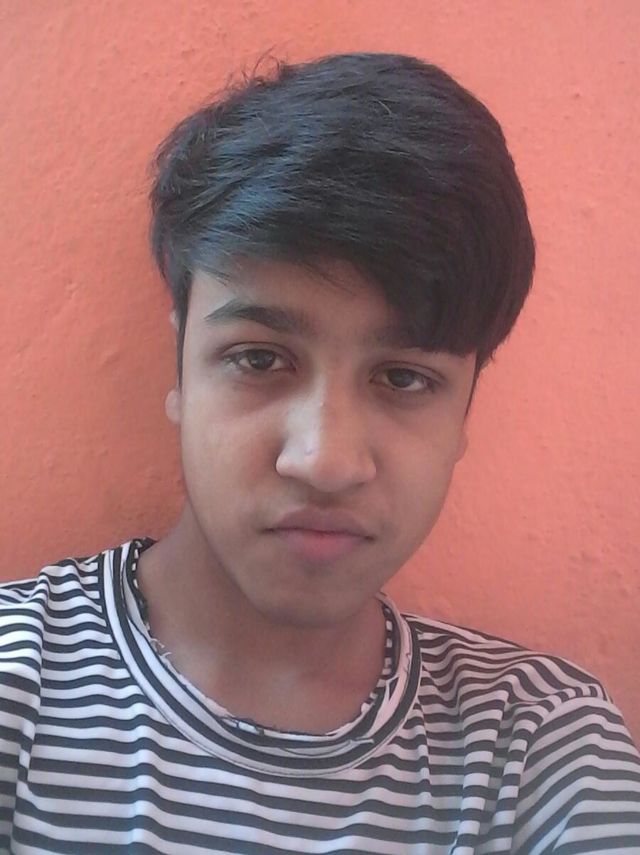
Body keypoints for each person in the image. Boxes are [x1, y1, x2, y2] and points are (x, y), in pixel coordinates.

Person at [1, 52, 638, 855]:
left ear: (465, 411)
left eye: (403, 377)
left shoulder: (539, 750)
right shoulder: (18, 686)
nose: (326, 461)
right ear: (180, 369)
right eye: (259, 358)